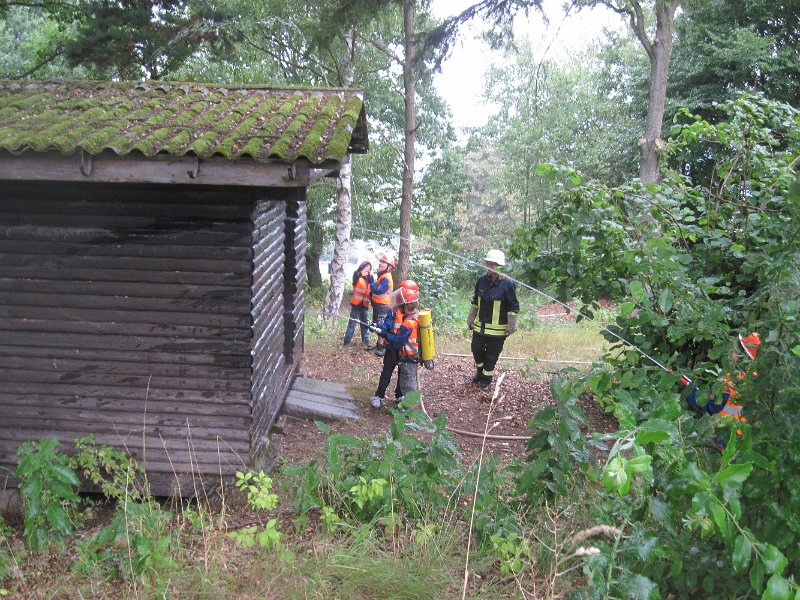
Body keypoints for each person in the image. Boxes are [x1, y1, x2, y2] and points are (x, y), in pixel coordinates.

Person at [681, 332, 760, 446]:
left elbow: (710, 406)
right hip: (741, 437)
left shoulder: (733, 382)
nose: (731, 352)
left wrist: (690, 391)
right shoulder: (755, 379)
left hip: (725, 435)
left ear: (742, 356)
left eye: (734, 350)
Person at [467, 249, 520, 390]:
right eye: (488, 263)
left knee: (491, 356)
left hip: (498, 330)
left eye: (493, 264)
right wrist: (471, 318)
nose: (489, 267)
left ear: (500, 266)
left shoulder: (508, 284)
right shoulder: (481, 281)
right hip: (481, 327)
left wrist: (512, 325)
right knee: (476, 349)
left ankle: (486, 378)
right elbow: (475, 301)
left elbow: (513, 306)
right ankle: (480, 371)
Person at [370, 281, 420, 409]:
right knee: (387, 372)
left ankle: (400, 395)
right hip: (392, 347)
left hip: (404, 351)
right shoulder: (394, 310)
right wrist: (380, 329)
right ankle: (379, 395)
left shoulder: (414, 315)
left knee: (403, 374)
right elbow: (387, 324)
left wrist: (387, 335)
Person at [342, 260, 374, 349]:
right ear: (362, 267)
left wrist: (372, 281)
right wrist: (361, 272)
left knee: (365, 324)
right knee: (352, 324)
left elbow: (372, 291)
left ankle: (366, 341)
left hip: (365, 305)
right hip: (356, 305)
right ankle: (346, 342)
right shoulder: (357, 276)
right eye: (366, 267)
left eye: (369, 268)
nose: (368, 270)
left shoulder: (369, 279)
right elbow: (356, 279)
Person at [370, 253, 396, 357]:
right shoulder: (383, 276)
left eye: (383, 262)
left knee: (380, 326)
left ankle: (382, 348)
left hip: (382, 306)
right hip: (379, 305)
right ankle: (379, 345)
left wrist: (372, 282)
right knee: (378, 325)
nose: (380, 263)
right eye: (380, 261)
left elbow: (378, 290)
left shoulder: (386, 277)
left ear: (389, 267)